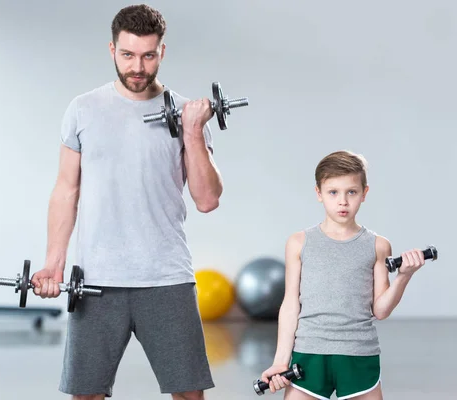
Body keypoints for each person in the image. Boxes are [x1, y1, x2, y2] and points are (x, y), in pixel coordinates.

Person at [30, 4, 223, 400]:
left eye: (148, 55)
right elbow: (66, 190)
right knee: (86, 395)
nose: (138, 66)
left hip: (166, 277)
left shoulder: (186, 113)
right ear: (112, 49)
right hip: (96, 279)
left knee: (189, 395)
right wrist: (54, 261)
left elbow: (207, 200)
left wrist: (191, 133)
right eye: (128, 55)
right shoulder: (83, 109)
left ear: (162, 53)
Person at [260, 150, 428, 400]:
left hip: (359, 353)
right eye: (333, 192)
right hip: (309, 354)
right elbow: (290, 304)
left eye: (351, 192)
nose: (343, 201)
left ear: (364, 193)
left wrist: (404, 277)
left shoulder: (378, 245)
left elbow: (380, 310)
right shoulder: (299, 242)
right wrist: (280, 361)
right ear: (319, 193)